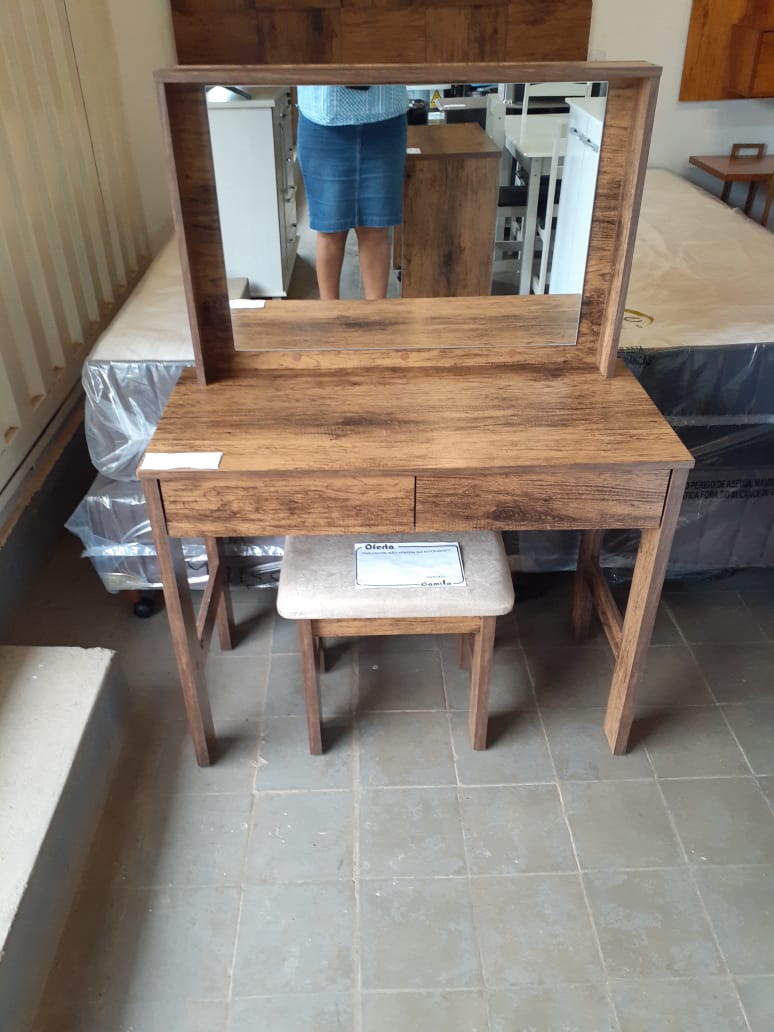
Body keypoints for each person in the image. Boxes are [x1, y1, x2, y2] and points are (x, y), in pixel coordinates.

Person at [296, 85, 408, 300]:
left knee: (376, 228)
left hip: (385, 116)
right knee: (329, 229)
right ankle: (330, 315)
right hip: (322, 119)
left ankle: (376, 316)